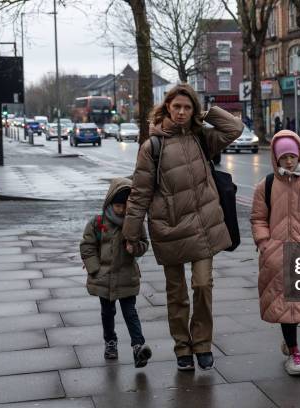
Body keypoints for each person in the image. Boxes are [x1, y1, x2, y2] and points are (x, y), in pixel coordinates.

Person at [123, 84, 243, 371]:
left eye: (187, 107)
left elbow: (234, 129)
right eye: (176, 106)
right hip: (170, 228)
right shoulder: (152, 146)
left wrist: (206, 113)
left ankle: (202, 344)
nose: (181, 112)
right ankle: (182, 348)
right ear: (167, 107)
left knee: (202, 285)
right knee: (176, 294)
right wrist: (131, 232)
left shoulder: (201, 137)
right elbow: (139, 193)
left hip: (204, 225)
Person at [250, 130, 300, 376]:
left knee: (296, 306)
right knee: (286, 306)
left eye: (292, 156)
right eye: (283, 157)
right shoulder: (267, 185)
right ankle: (295, 352)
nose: (289, 161)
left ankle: (290, 342)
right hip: (276, 255)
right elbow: (258, 218)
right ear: (276, 158)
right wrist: (265, 244)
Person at [80, 177, 152, 367]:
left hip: (127, 276)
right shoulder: (98, 223)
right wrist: (94, 269)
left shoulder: (135, 223)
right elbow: (87, 245)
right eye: (118, 205)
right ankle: (110, 342)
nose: (122, 209)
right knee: (107, 312)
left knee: (130, 312)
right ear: (111, 202)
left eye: (125, 205)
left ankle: (138, 346)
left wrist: (134, 248)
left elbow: (144, 244)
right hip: (104, 277)